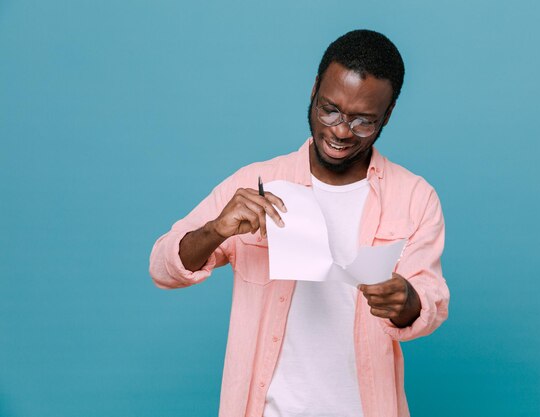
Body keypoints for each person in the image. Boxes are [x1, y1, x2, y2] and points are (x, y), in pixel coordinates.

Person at [149, 29, 449, 417]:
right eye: (330, 110)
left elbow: (431, 298)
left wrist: (407, 301)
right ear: (313, 91)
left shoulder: (414, 197)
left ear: (387, 116)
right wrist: (215, 230)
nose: (340, 130)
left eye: (362, 122)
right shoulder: (255, 181)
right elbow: (162, 267)